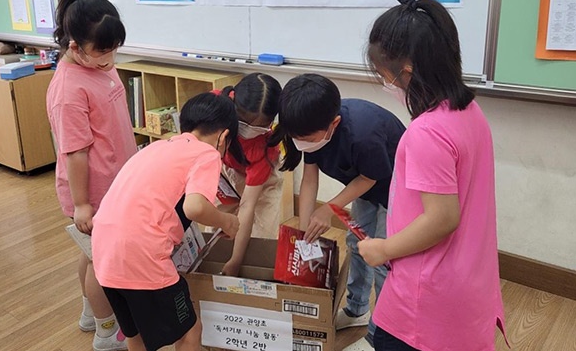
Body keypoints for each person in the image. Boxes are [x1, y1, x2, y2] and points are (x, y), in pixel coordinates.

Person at [358, 0, 506, 351]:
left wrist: (383, 248)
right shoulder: (469, 111)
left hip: (428, 297)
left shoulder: (427, 132)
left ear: (406, 71)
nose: (384, 83)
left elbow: (442, 219)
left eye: (383, 74)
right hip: (469, 283)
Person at [91, 92, 242, 351]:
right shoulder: (206, 154)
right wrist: (226, 222)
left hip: (103, 252)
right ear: (224, 136)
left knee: (135, 334)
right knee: (190, 331)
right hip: (141, 254)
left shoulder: (158, 146)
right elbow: (194, 206)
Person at [274, 73, 406, 347]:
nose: (300, 143)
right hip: (365, 189)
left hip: (396, 191)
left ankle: (379, 334)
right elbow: (310, 179)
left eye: (305, 138)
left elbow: (371, 177)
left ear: (334, 124)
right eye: (296, 137)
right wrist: (303, 229)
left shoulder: (363, 133)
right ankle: (357, 309)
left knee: (383, 260)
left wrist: (330, 208)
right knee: (357, 245)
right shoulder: (310, 127)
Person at [47, 0, 136, 351]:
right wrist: (82, 204)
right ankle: (106, 331)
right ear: (74, 46)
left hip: (115, 182)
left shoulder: (100, 66)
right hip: (93, 191)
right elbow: (76, 153)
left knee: (91, 253)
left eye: (114, 48)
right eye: (102, 51)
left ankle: (89, 313)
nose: (110, 58)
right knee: (105, 262)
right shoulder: (68, 89)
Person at [218, 73, 283, 277]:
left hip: (263, 181)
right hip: (227, 170)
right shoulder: (218, 106)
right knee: (220, 225)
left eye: (259, 126)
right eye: (244, 122)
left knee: (261, 235)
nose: (249, 129)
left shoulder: (263, 149)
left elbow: (247, 207)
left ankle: (250, 272)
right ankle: (220, 261)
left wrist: (236, 262)